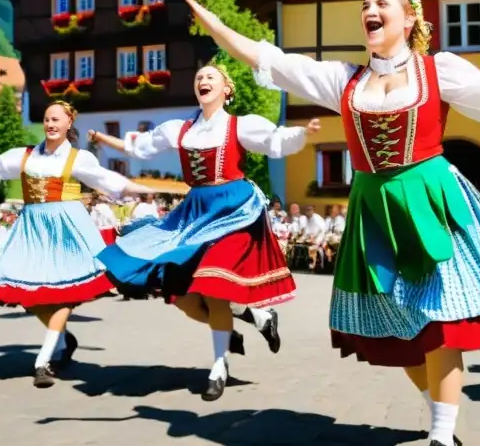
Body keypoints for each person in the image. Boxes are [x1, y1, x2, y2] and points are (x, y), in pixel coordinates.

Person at [185, 0, 480, 446]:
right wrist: (214, 26)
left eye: (382, 5)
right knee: (397, 332)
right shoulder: (344, 81)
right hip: (374, 211)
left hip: (428, 200)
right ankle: (440, 409)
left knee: (441, 323)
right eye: (365, 6)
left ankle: (442, 439)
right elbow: (275, 60)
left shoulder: (437, 70)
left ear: (409, 19)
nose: (370, 12)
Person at [88, 65, 316, 401]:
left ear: (227, 88)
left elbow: (274, 141)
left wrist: (302, 133)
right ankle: (256, 317)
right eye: (198, 78)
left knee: (213, 285)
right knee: (182, 297)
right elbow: (141, 146)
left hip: (234, 210)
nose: (203, 81)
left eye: (211, 77)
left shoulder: (240, 125)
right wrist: (104, 138)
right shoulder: (179, 130)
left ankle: (219, 365)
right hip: (195, 211)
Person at [0, 101, 149, 387]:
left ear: (69, 123)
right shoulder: (24, 156)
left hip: (65, 228)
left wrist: (138, 188)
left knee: (62, 295)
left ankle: (43, 361)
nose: (50, 124)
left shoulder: (77, 158)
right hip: (32, 228)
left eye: (56, 119)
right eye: (47, 119)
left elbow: (105, 179)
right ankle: (63, 339)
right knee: (27, 294)